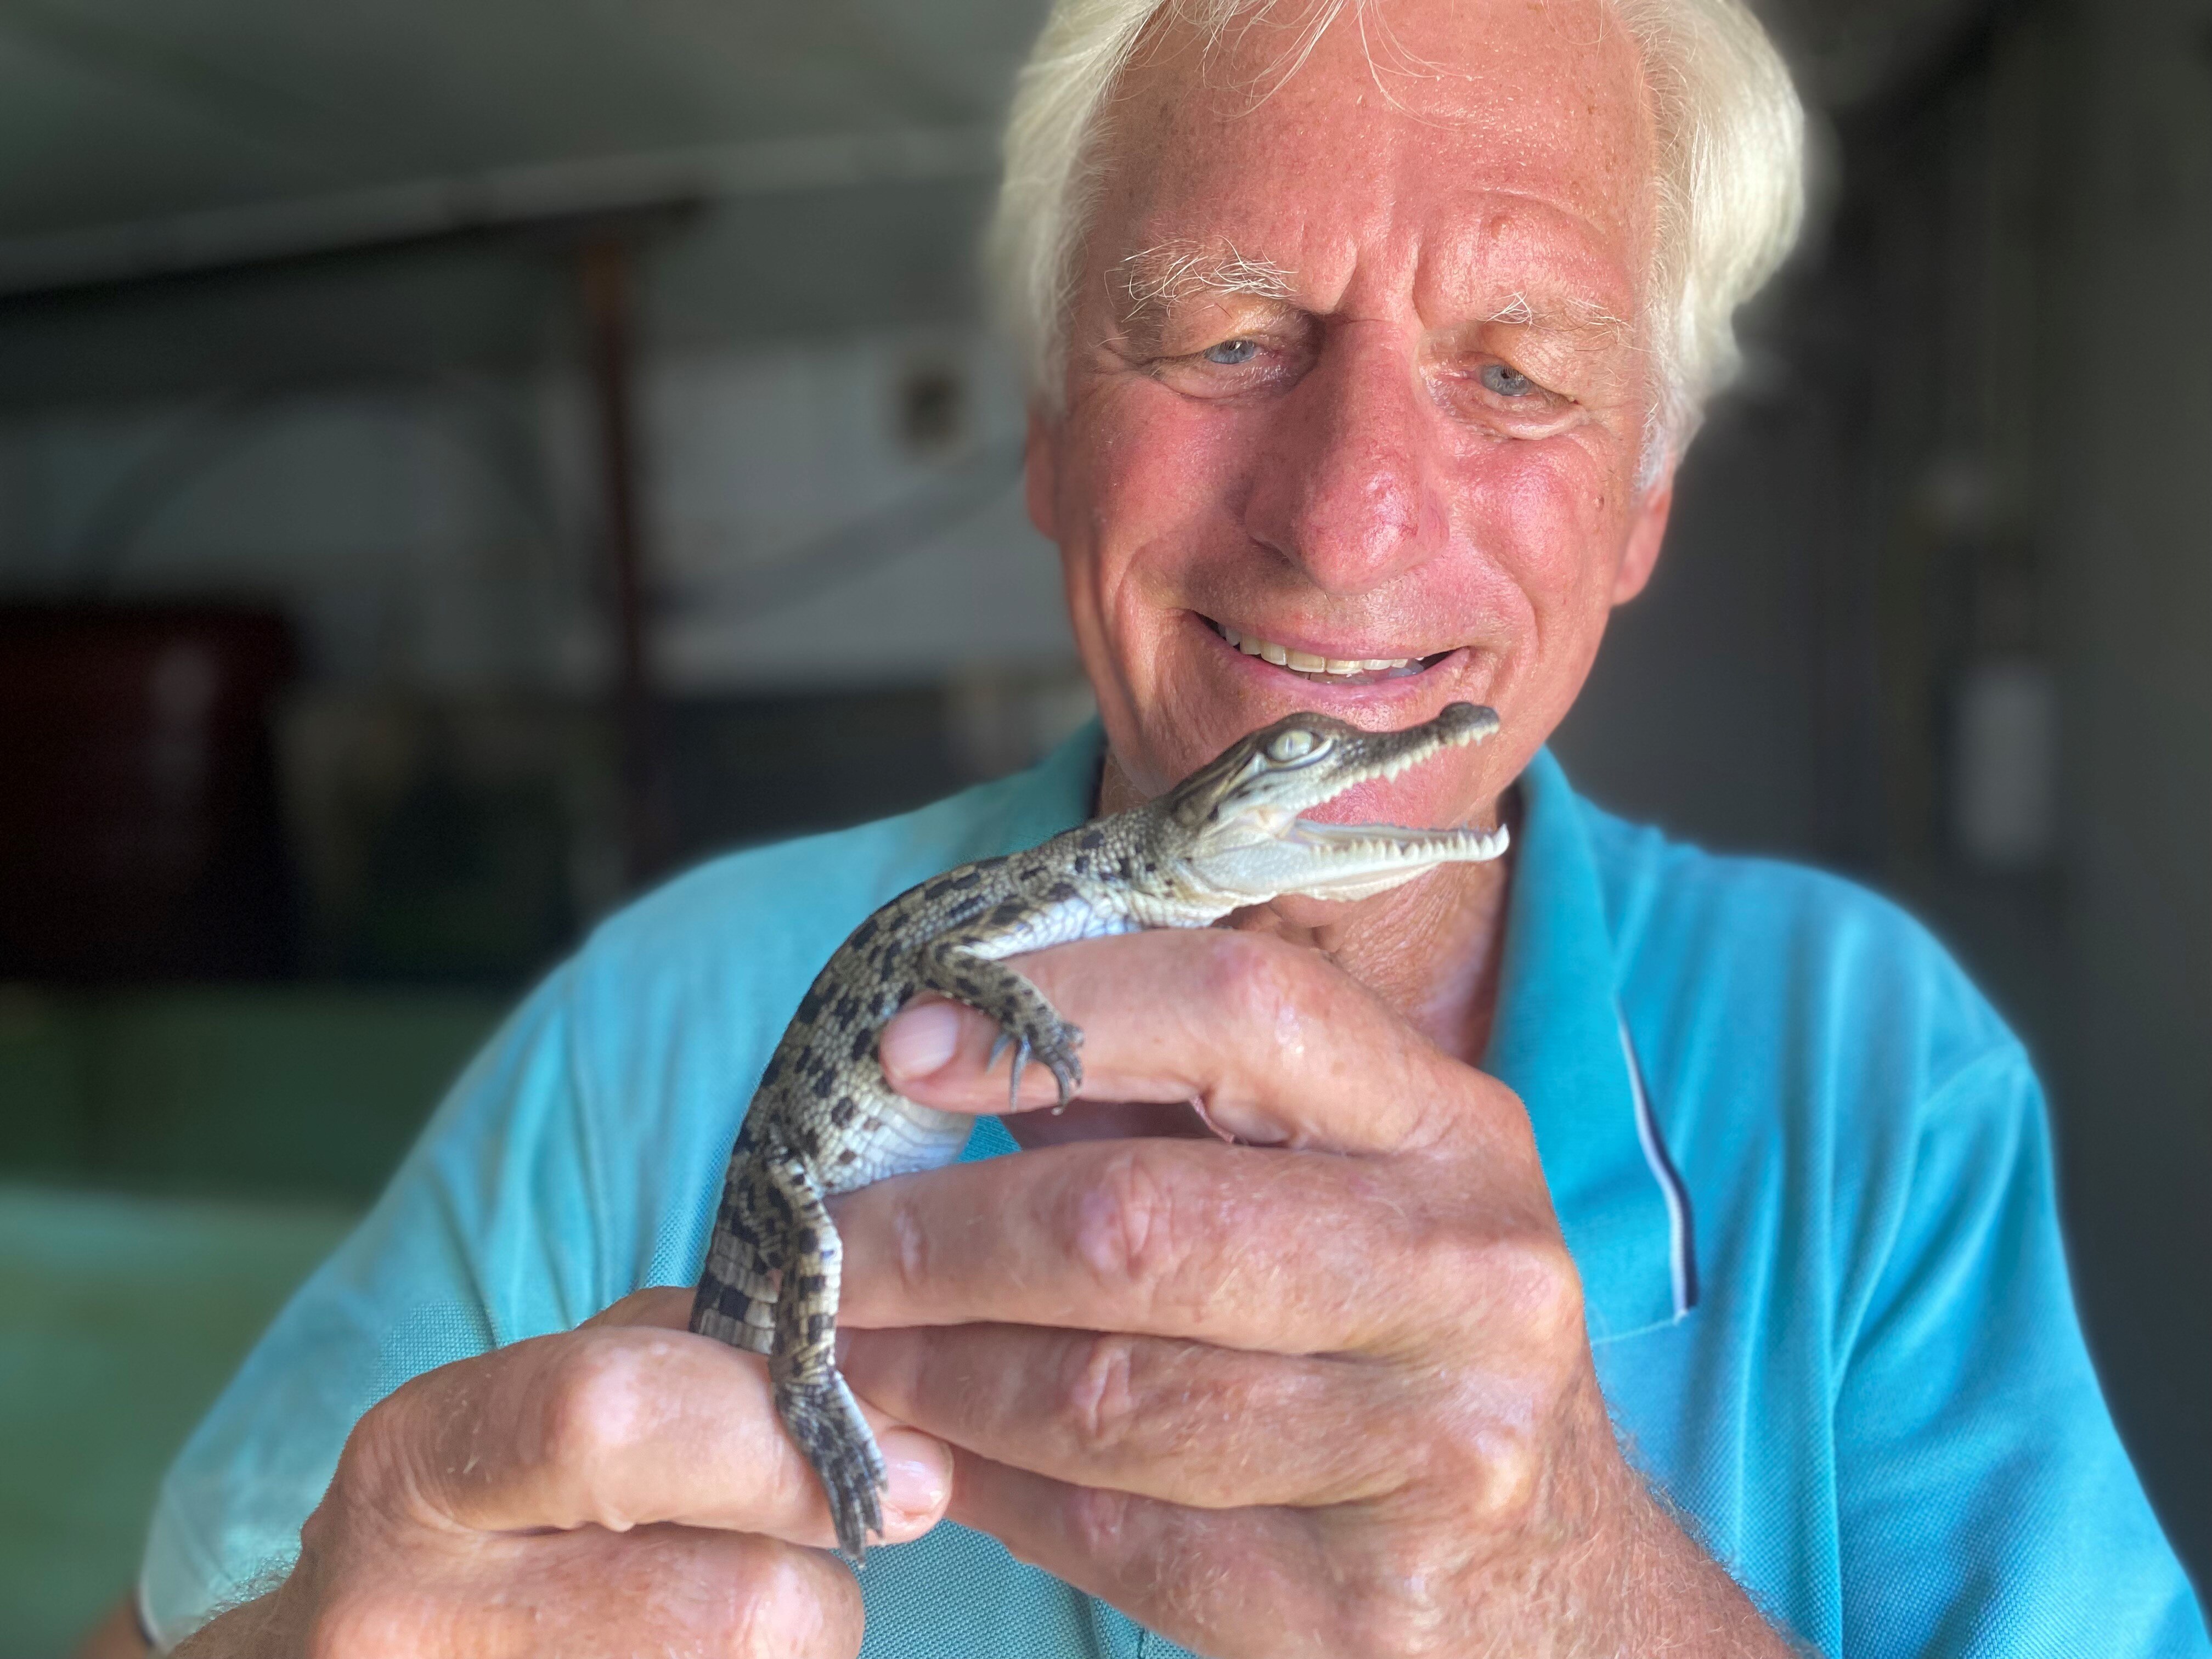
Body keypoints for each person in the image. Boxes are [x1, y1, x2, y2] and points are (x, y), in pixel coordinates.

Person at [89, 0, 2207, 1654]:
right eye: (1225, 332)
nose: (1346, 521)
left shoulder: (1876, 1068)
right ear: (1045, 431)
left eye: (1522, 374)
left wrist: (1585, 1608)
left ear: (1647, 504)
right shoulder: (646, 1023)